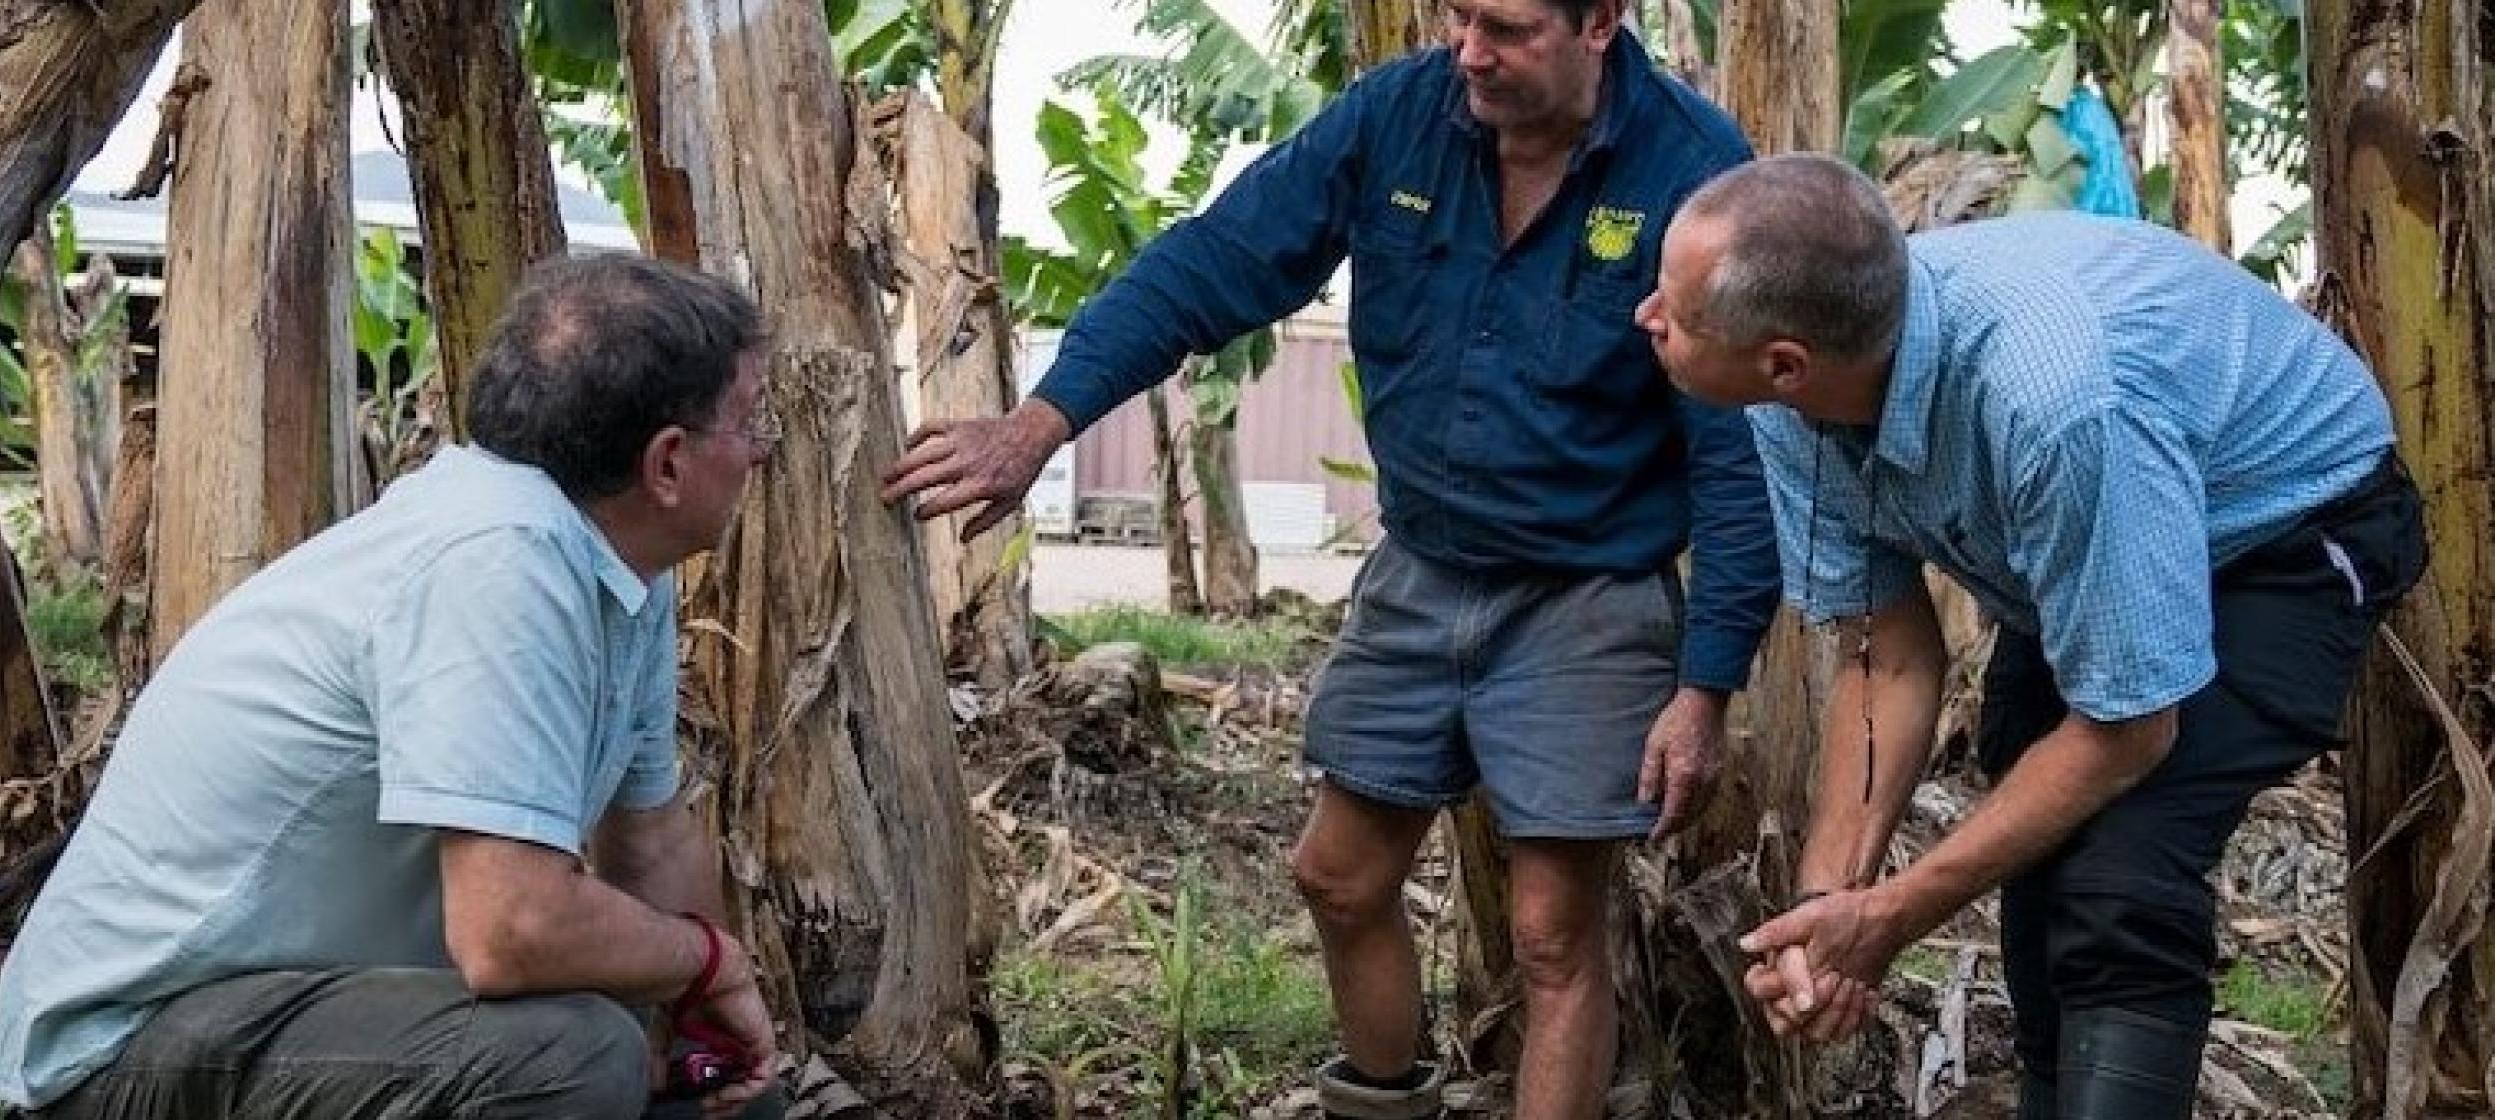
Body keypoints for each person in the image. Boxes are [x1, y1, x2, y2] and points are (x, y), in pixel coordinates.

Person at [880, 2, 1777, 1116]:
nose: (1468, 52)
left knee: (1553, 933)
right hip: (1421, 569)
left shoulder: (1696, 171)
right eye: (1458, 17)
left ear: (1599, 21)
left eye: (1503, 27)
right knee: (1338, 877)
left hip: (1587, 594)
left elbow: (1740, 455)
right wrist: (1042, 423)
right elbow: (1215, 261)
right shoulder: (1398, 116)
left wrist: (1705, 688)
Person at [1636, 153, 2427, 1119]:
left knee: (2121, 875)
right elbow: (1884, 659)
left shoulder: (2051, 401)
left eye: (1676, 308)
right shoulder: (1788, 404)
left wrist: (1889, 918)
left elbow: (2131, 730)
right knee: (2038, 847)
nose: (1646, 315)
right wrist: (1822, 916)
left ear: (1785, 359)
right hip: (2097, 531)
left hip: (2286, 532)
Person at [0, 254, 804, 1120]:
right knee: (572, 1059)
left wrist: (707, 1017)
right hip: (125, 1050)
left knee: (731, 1106)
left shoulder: (616, 565)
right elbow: (507, 928)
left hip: (304, 1021)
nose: (760, 449)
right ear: (666, 465)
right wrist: (711, 961)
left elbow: (650, 844)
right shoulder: (500, 561)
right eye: (750, 420)